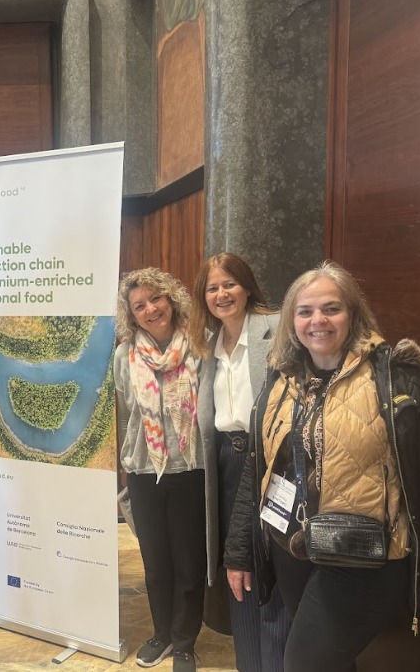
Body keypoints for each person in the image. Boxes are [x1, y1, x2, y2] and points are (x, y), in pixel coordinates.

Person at [223, 261, 420, 671]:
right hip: (290, 546)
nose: (317, 320)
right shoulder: (280, 379)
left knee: (304, 663)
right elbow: (257, 467)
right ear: (291, 321)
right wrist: (239, 551)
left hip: (363, 556)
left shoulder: (394, 377)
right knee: (330, 662)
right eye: (305, 311)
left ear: (353, 314)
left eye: (331, 309)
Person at [188, 254, 290, 671]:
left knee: (273, 566)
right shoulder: (206, 346)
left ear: (247, 286)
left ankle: (276, 660)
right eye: (212, 288)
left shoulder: (277, 328)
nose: (221, 294)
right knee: (237, 566)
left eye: (229, 284)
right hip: (225, 466)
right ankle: (250, 660)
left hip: (270, 461)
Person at [114, 267, 210, 672]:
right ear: (131, 314)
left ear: (171, 299)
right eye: (140, 305)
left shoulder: (200, 345)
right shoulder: (124, 355)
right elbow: (125, 411)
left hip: (190, 467)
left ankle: (185, 641)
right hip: (143, 471)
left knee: (188, 561)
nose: (150, 309)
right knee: (155, 561)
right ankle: (162, 634)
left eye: (156, 298)